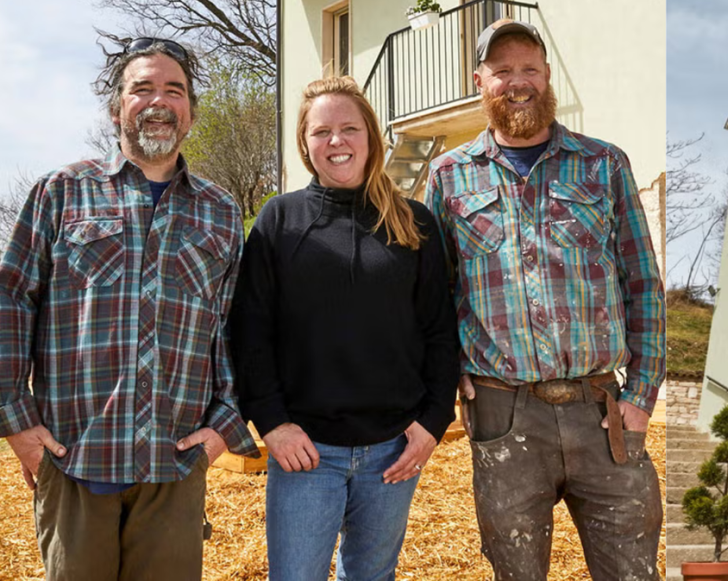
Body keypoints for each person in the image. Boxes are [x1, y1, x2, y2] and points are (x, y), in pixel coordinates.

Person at [0, 37, 258, 580]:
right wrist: (18, 422)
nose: (159, 101)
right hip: (75, 462)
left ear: (190, 111)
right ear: (116, 107)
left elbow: (237, 326)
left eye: (175, 90)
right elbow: (10, 300)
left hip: (175, 466)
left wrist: (224, 424)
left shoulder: (219, 211)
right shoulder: (62, 192)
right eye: (142, 89)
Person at [425, 19, 666, 581]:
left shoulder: (604, 165)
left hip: (603, 413)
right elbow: (434, 293)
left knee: (632, 572)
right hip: (502, 416)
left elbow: (643, 284)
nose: (518, 82)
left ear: (548, 75)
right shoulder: (448, 176)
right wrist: (449, 372)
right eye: (503, 70)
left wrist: (643, 396)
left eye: (529, 68)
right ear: (479, 80)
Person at [228, 76, 460, 581]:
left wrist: (432, 423)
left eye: (349, 128)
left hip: (393, 452)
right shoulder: (279, 220)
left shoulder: (412, 222)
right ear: (305, 145)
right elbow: (250, 333)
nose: (336, 141)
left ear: (371, 137)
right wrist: (272, 423)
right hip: (305, 453)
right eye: (322, 131)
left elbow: (440, 330)